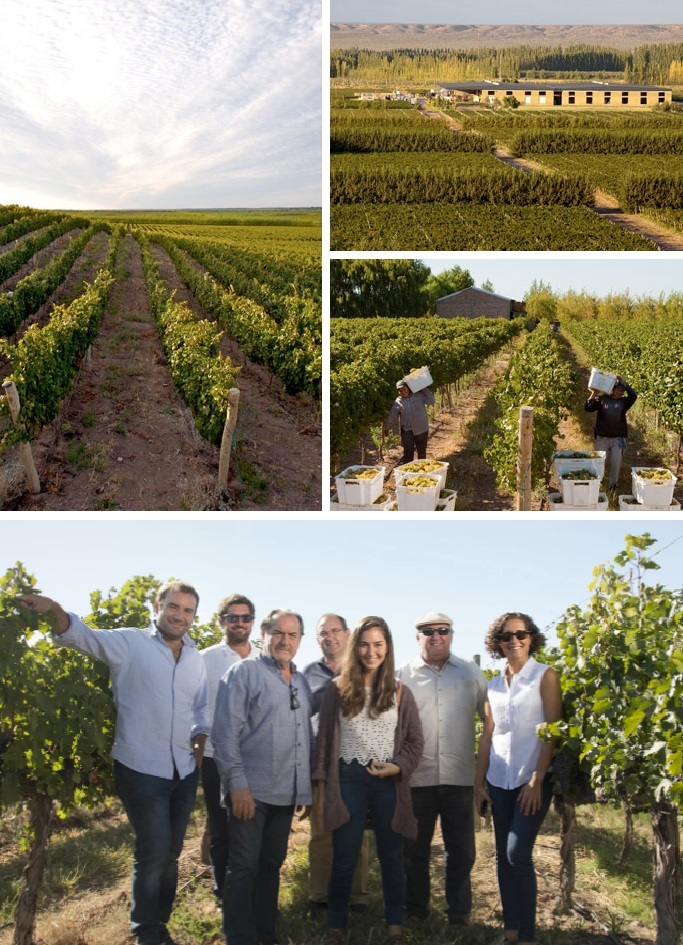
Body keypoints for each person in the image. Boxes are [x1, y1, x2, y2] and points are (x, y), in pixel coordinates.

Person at [18, 582, 210, 945]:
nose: (179, 615)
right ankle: (145, 932)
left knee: (170, 854)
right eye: (173, 606)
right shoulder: (131, 643)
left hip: (183, 770)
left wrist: (199, 744)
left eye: (187, 611)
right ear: (158, 605)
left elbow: (200, 708)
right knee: (153, 852)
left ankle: (160, 923)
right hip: (140, 768)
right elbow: (82, 636)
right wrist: (56, 611)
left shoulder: (194, 658)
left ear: (193, 617)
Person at [314, 616, 424, 945]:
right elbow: (323, 743)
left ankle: (395, 929)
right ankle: (336, 927)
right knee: (345, 856)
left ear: (387, 647)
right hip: (347, 779)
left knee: (391, 857)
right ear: (355, 646)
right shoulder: (336, 689)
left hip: (387, 782)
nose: (371, 651)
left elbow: (415, 743)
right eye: (364, 644)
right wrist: (321, 785)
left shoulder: (400, 692)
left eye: (378, 644)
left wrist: (397, 767)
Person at [212, 609, 313, 945]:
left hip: (285, 793)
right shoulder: (243, 674)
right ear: (264, 635)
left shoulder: (300, 681)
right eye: (278, 633)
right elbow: (225, 735)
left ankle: (265, 933)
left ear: (300, 640)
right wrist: (237, 785)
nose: (285, 641)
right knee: (242, 867)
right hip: (251, 794)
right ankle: (238, 937)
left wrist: (305, 791)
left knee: (271, 865)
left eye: (292, 635)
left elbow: (303, 739)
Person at [396, 611, 488, 926]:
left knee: (461, 852)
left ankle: (459, 912)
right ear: (417, 635)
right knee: (414, 851)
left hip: (460, 778)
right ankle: (416, 910)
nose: (436, 635)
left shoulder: (471, 673)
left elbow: (491, 724)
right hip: (416, 779)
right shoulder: (402, 675)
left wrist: (484, 779)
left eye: (443, 630)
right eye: (428, 630)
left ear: (451, 634)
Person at [475, 613, 562, 945]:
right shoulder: (493, 685)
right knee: (503, 857)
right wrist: (478, 784)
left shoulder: (545, 677)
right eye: (507, 636)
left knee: (517, 854)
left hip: (531, 780)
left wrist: (537, 780)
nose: (515, 640)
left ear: (531, 638)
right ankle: (510, 931)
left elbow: (551, 732)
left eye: (521, 634)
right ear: (499, 643)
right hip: (499, 780)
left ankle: (526, 936)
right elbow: (487, 736)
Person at [303, 614, 369, 914]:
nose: (329, 637)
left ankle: (356, 896)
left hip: (357, 763)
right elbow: (302, 722)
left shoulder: (364, 670)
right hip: (321, 764)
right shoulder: (307, 674)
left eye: (335, 631)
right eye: (322, 633)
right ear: (317, 639)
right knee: (321, 833)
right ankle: (320, 896)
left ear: (346, 634)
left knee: (357, 834)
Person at [200, 594, 255, 902]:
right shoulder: (205, 659)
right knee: (221, 830)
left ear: (252, 623)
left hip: (256, 761)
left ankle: (250, 891)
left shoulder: (264, 661)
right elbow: (194, 707)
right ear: (221, 621)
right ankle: (223, 892)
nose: (239, 623)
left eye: (245, 617)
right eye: (232, 618)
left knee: (250, 830)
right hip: (216, 760)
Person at [585, 375, 637, 491]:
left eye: (622, 390)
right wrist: (594, 393)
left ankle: (613, 485)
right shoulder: (602, 399)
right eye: (618, 389)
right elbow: (588, 408)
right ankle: (597, 483)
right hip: (602, 438)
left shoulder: (624, 402)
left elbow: (633, 395)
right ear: (612, 389)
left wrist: (624, 382)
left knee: (616, 463)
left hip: (617, 439)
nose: (620, 392)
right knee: (599, 462)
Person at [384, 380, 435, 465]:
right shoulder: (398, 401)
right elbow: (392, 415)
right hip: (407, 430)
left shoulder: (419, 395)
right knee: (408, 454)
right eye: (400, 391)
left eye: (404, 389)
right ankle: (407, 474)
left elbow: (431, 401)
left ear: (408, 388)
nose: (403, 392)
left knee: (421, 453)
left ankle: (421, 472)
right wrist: (387, 427)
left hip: (422, 429)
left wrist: (423, 387)